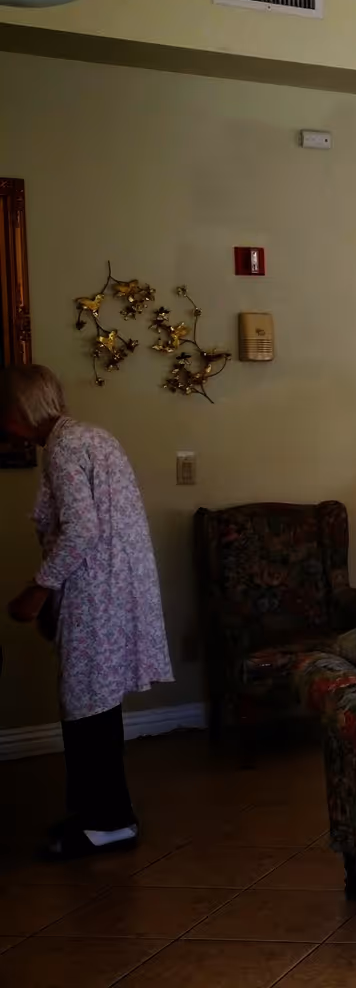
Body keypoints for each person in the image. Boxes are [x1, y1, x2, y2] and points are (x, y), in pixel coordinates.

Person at [2, 364, 171, 860]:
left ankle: (108, 821)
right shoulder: (88, 437)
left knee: (85, 708)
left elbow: (80, 530)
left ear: (19, 410)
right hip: (113, 589)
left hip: (96, 592)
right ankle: (102, 812)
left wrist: (37, 590)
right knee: (96, 705)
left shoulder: (64, 447)